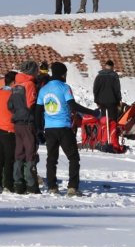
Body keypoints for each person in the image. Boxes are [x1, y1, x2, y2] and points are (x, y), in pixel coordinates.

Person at [36, 62, 99, 197]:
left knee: (51, 159)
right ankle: (72, 187)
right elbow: (73, 106)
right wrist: (92, 113)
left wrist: (39, 129)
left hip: (50, 129)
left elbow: (38, 112)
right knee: (73, 158)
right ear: (63, 74)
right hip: (64, 128)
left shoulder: (43, 89)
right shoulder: (65, 88)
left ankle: (52, 186)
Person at [8, 66, 40, 195]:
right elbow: (30, 103)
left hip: (17, 122)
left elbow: (9, 105)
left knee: (19, 152)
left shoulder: (16, 86)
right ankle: (31, 184)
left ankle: (18, 183)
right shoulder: (30, 84)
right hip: (27, 122)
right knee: (30, 152)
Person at [0, 71, 17, 194]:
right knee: (9, 159)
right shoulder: (13, 94)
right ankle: (8, 184)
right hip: (10, 129)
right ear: (13, 82)